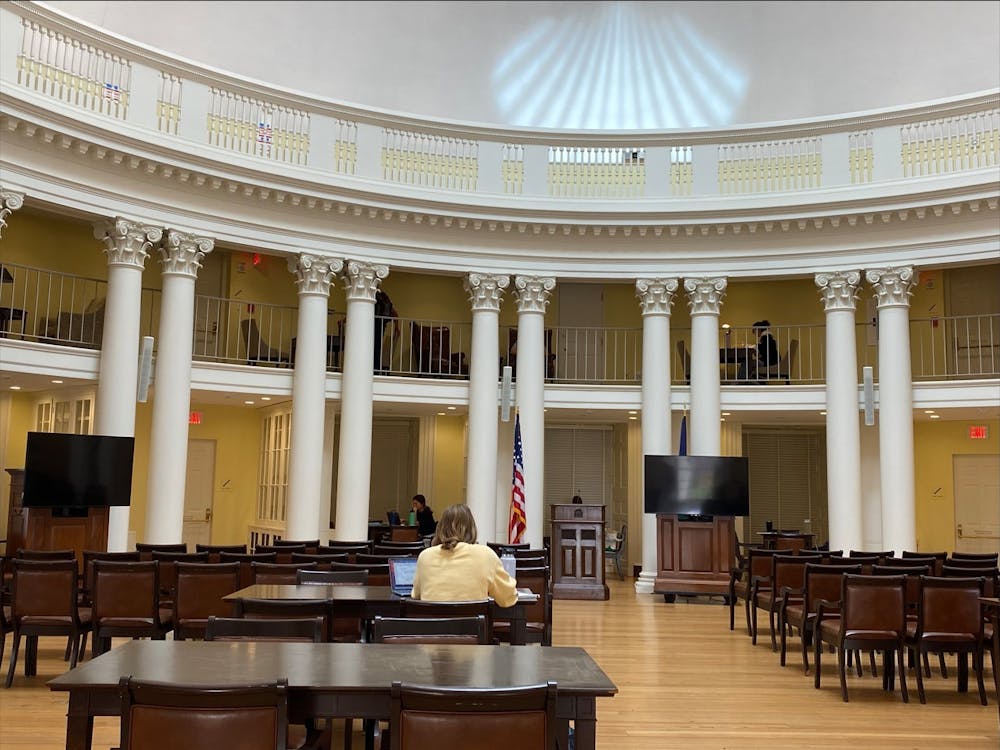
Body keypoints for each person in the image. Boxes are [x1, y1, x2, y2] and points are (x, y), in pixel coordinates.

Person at [411, 504, 518, 606]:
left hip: (433, 624)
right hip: (473, 625)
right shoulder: (486, 555)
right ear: (472, 528)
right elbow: (508, 598)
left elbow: (416, 595)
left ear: (441, 528)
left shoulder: (425, 557)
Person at [373, 289, 397, 371]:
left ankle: (374, 367)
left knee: (373, 346)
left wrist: (397, 327)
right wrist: (397, 327)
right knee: (377, 347)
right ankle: (376, 367)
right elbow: (394, 313)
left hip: (374, 324)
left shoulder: (375, 295)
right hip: (381, 324)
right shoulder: (384, 296)